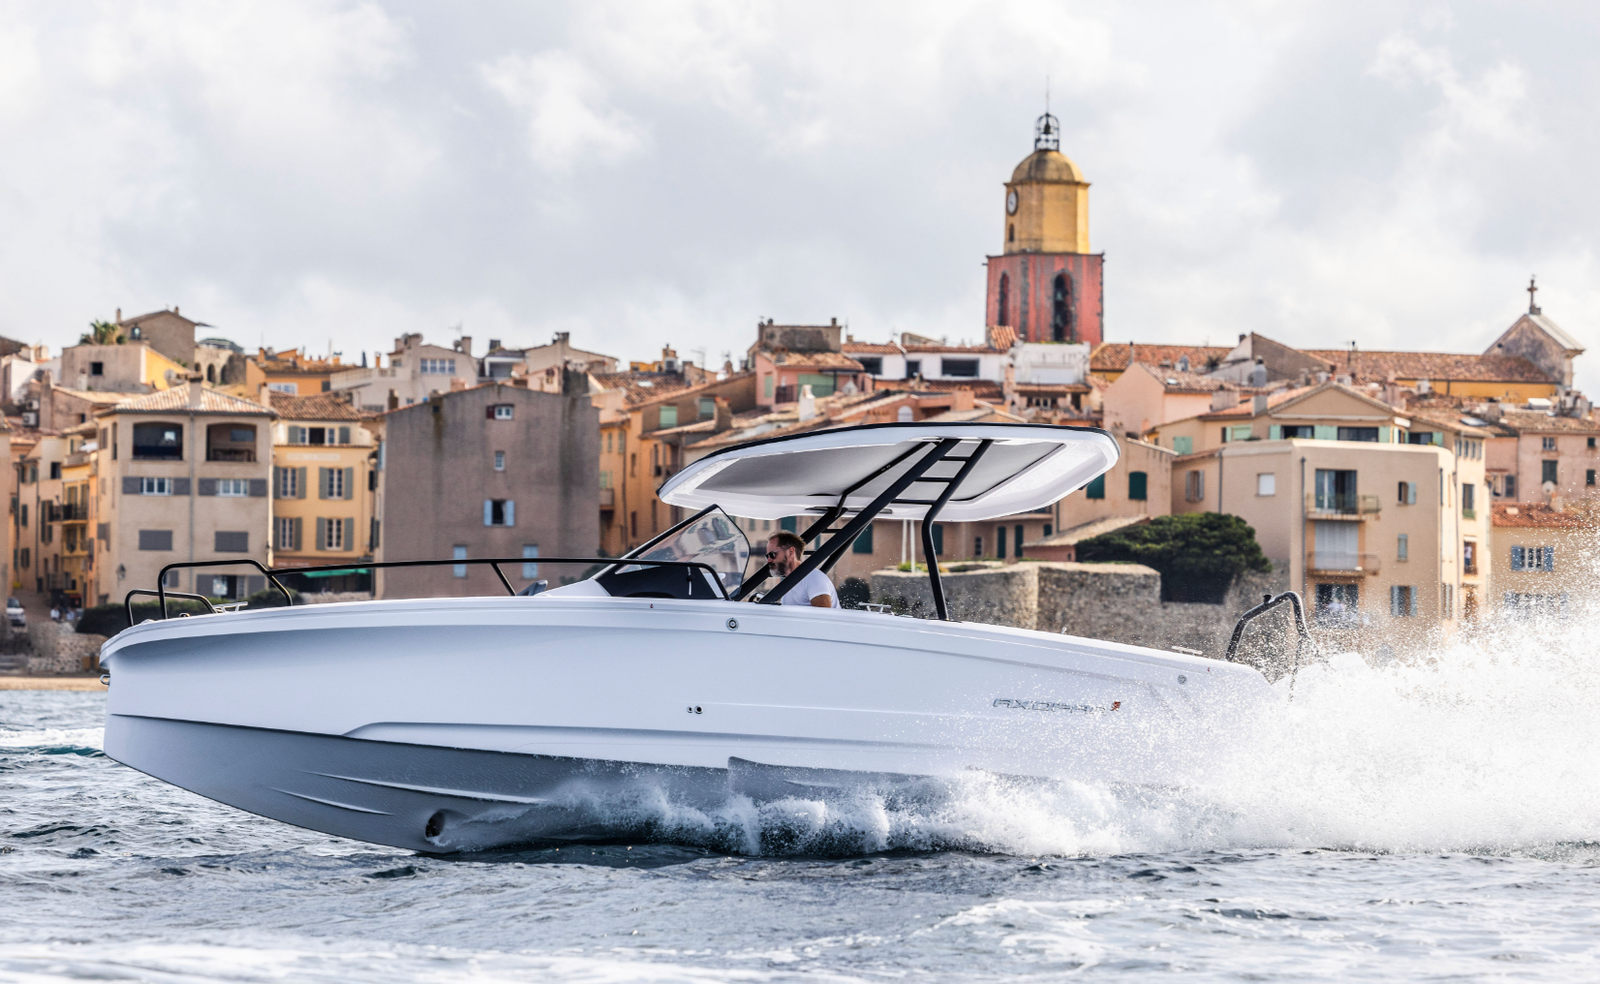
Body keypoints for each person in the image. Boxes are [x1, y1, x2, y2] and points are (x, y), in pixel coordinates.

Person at [764, 531, 836, 608]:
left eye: (772, 555)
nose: (769, 560)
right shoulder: (788, 585)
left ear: (790, 552)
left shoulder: (813, 578)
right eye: (767, 556)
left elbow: (823, 613)